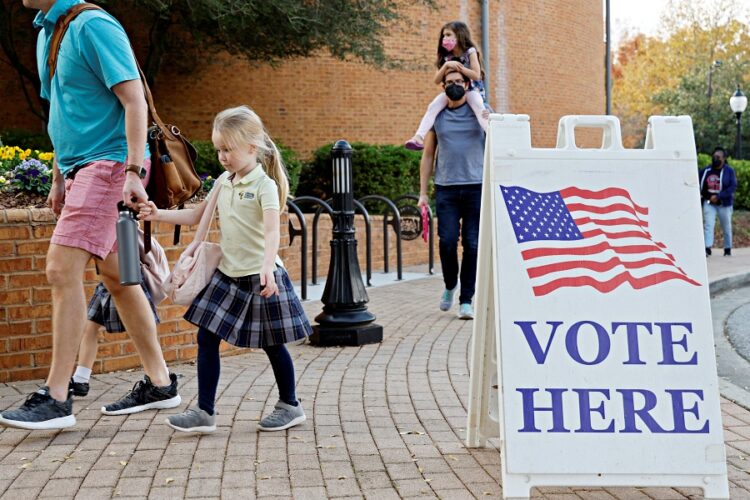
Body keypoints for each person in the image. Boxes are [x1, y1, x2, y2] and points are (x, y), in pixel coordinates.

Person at [0, 0, 180, 430]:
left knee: (61, 270)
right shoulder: (49, 30)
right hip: (83, 168)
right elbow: (62, 111)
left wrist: (134, 171)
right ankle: (160, 383)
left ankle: (57, 397)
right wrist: (60, 176)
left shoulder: (94, 25)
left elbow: (134, 100)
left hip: (110, 165)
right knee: (118, 278)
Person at [138, 105, 312, 433]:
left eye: (228, 150)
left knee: (272, 343)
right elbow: (196, 216)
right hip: (228, 275)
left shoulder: (265, 186)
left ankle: (290, 404)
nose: (222, 156)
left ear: (251, 147)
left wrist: (266, 267)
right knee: (206, 336)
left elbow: (273, 231)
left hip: (260, 276)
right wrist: (157, 214)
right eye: (218, 149)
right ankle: (205, 411)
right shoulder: (223, 182)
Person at [417, 67, 485, 320]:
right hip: (446, 188)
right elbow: (427, 155)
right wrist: (423, 193)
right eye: (449, 82)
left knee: (473, 244)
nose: (454, 84)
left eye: (458, 81)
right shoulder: (438, 115)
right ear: (443, 86)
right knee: (446, 242)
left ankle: (466, 300)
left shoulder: (478, 112)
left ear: (467, 84)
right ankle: (449, 285)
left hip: (476, 187)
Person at [405, 20, 488, 151]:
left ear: (459, 35)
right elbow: (437, 80)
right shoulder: (446, 56)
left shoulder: (470, 52)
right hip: (452, 89)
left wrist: (460, 68)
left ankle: (491, 134)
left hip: (471, 89)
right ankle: (418, 137)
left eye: (448, 35)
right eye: (444, 35)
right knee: (433, 107)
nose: (445, 38)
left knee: (479, 107)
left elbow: (476, 75)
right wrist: (446, 65)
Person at [70, 280, 162, 397]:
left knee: (143, 330)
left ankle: (161, 373)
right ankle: (80, 379)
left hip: (130, 280)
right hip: (107, 282)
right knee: (89, 326)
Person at [700, 146, 737, 256]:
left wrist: (719, 196)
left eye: (718, 157)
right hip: (709, 203)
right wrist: (709, 196)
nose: (715, 158)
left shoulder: (729, 171)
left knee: (726, 226)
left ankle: (727, 248)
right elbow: (700, 185)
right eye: (714, 156)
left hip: (724, 204)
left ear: (724, 158)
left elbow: (732, 186)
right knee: (708, 225)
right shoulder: (706, 171)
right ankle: (707, 247)